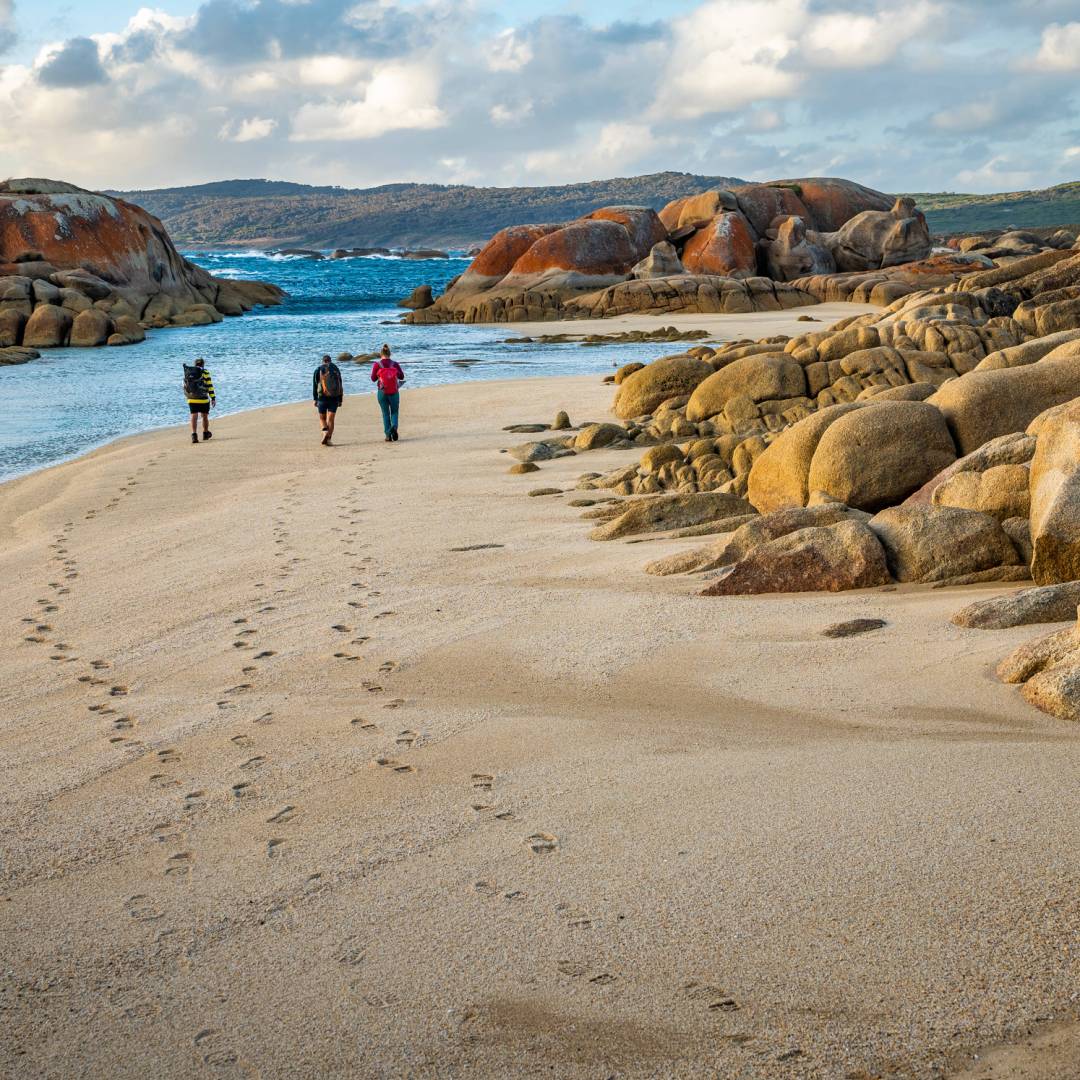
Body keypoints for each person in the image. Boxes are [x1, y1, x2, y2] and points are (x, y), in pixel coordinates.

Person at [371, 344, 405, 442]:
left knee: (385, 413)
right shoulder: (394, 364)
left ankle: (388, 435)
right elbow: (402, 377)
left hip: (382, 392)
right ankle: (394, 427)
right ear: (390, 354)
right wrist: (394, 374)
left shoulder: (377, 365)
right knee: (394, 412)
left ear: (380, 354)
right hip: (394, 391)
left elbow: (373, 379)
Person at [312, 354, 344, 445]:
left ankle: (325, 431)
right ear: (330, 361)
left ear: (323, 361)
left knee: (322, 418)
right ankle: (329, 439)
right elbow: (340, 384)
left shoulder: (318, 369)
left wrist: (315, 399)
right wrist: (340, 399)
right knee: (331, 419)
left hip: (322, 397)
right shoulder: (336, 369)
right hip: (334, 397)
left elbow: (314, 385)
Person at [183, 358, 215, 444]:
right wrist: (213, 398)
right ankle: (205, 433)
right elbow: (210, 385)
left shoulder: (189, 372)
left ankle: (194, 435)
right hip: (203, 398)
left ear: (195, 364)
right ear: (203, 364)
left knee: (194, 415)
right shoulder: (205, 372)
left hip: (191, 398)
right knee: (204, 416)